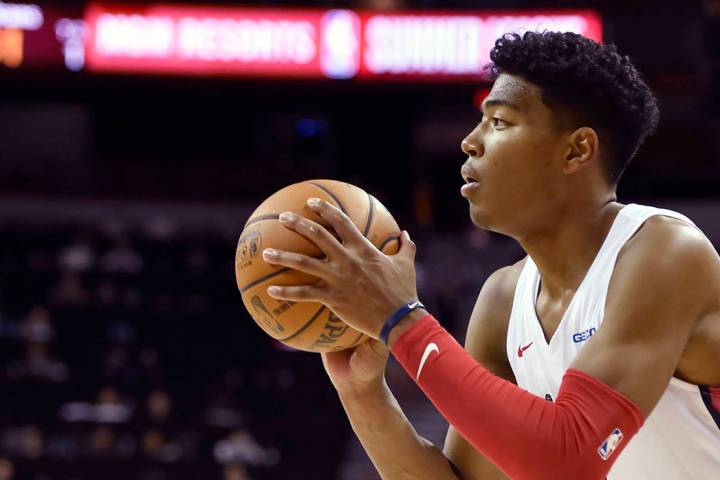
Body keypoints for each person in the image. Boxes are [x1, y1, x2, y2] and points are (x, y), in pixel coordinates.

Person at [262, 31, 720, 479]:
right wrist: (361, 390)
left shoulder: (663, 251)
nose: (470, 141)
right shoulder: (503, 300)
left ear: (577, 149)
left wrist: (402, 319)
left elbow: (572, 459)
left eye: (498, 122)